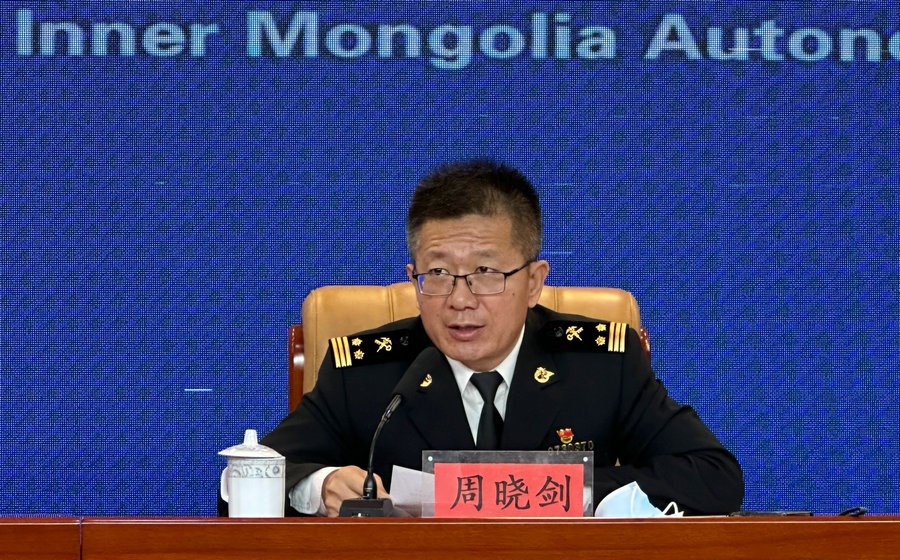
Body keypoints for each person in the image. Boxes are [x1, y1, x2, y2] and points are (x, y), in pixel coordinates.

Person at [220, 159, 743, 517]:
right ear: (413, 277)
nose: (459, 300)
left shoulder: (601, 362)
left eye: (487, 273)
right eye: (437, 274)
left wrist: (557, 491)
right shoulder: (367, 372)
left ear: (534, 282)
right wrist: (320, 487)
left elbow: (714, 476)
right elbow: (240, 488)